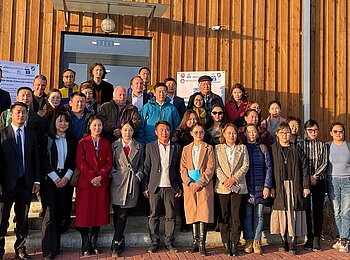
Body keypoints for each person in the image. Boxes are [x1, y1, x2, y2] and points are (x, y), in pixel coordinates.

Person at [0, 102, 40, 260]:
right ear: (11, 114)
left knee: (22, 218)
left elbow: (35, 159)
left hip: (26, 182)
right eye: (18, 112)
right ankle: (0, 249)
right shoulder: (2, 134)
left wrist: (36, 180)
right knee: (2, 218)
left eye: (24, 112)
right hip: (6, 184)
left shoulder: (31, 134)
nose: (21, 115)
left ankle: (20, 248)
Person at [141, 121, 182, 253]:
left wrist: (179, 186)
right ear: (156, 132)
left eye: (167, 130)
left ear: (170, 131)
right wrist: (145, 186)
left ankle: (169, 242)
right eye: (161, 130)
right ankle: (154, 242)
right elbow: (146, 167)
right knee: (154, 215)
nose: (164, 133)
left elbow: (179, 168)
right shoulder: (150, 147)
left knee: (170, 215)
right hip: (155, 186)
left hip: (171, 186)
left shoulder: (176, 147)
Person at [270, 122, 309, 255]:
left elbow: (304, 167)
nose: (285, 135)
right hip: (279, 186)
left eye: (287, 132)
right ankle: (283, 239)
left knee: (293, 212)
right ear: (277, 134)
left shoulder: (296, 149)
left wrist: (305, 186)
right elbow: (268, 169)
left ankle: (293, 240)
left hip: (294, 184)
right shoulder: (273, 149)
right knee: (282, 212)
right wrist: (270, 187)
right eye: (282, 132)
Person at [40, 111, 76, 259]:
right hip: (50, 180)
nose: (63, 124)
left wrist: (67, 177)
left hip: (65, 180)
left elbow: (73, 160)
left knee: (62, 213)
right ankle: (48, 250)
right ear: (54, 122)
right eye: (60, 121)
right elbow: (43, 159)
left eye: (66, 121)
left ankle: (57, 246)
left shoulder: (72, 139)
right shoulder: (46, 138)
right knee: (50, 215)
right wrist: (55, 177)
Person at [75, 115, 112, 256]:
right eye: (95, 125)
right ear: (89, 126)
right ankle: (85, 241)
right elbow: (80, 162)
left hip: (101, 182)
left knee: (99, 212)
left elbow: (109, 162)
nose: (97, 128)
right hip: (87, 182)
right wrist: (92, 177)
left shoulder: (106, 143)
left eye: (100, 125)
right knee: (84, 212)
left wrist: (100, 176)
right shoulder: (83, 142)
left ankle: (94, 240)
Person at [109, 121, 144, 257]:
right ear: (120, 131)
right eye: (125, 130)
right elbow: (110, 163)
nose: (127, 133)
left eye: (130, 130)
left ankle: (116, 242)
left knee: (123, 213)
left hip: (131, 182)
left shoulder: (139, 146)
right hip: (117, 182)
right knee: (117, 212)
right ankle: (121, 237)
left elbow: (141, 164)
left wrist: (138, 176)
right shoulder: (115, 145)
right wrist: (113, 174)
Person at [180, 124, 215, 256]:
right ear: (191, 133)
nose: (198, 134)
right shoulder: (186, 149)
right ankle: (194, 241)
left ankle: (202, 243)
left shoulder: (209, 148)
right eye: (196, 132)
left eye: (201, 132)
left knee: (203, 212)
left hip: (204, 185)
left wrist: (200, 182)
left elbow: (210, 168)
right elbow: (182, 168)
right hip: (190, 185)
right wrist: (189, 182)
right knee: (192, 211)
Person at [215, 123, 249, 256]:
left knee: (236, 216)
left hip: (238, 186)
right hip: (222, 186)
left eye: (234, 133)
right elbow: (216, 166)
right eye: (228, 133)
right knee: (224, 215)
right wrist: (225, 180)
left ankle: (235, 243)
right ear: (223, 134)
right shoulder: (217, 148)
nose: (231, 135)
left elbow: (245, 165)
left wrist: (233, 179)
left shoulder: (242, 148)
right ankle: (225, 242)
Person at [243, 124, 272, 255]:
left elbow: (269, 167)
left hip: (261, 186)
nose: (251, 134)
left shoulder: (263, 148)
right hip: (247, 186)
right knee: (248, 215)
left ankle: (256, 240)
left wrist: (267, 186)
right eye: (249, 132)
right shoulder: (242, 148)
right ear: (245, 134)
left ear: (257, 133)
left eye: (254, 132)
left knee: (259, 215)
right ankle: (248, 240)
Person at [302, 119, 328, 252]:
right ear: (306, 131)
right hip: (305, 181)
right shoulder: (300, 145)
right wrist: (308, 178)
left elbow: (325, 163)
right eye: (310, 130)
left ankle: (317, 237)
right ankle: (309, 237)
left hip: (319, 181)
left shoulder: (322, 146)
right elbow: (300, 163)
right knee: (306, 209)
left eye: (315, 130)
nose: (313, 132)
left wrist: (315, 176)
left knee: (318, 210)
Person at [326, 122, 350, 253]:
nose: (338, 134)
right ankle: (339, 237)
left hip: (347, 181)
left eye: (341, 131)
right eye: (335, 131)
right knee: (336, 211)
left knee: (345, 211)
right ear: (331, 133)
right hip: (332, 181)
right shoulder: (327, 146)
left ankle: (345, 240)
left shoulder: (348, 146)